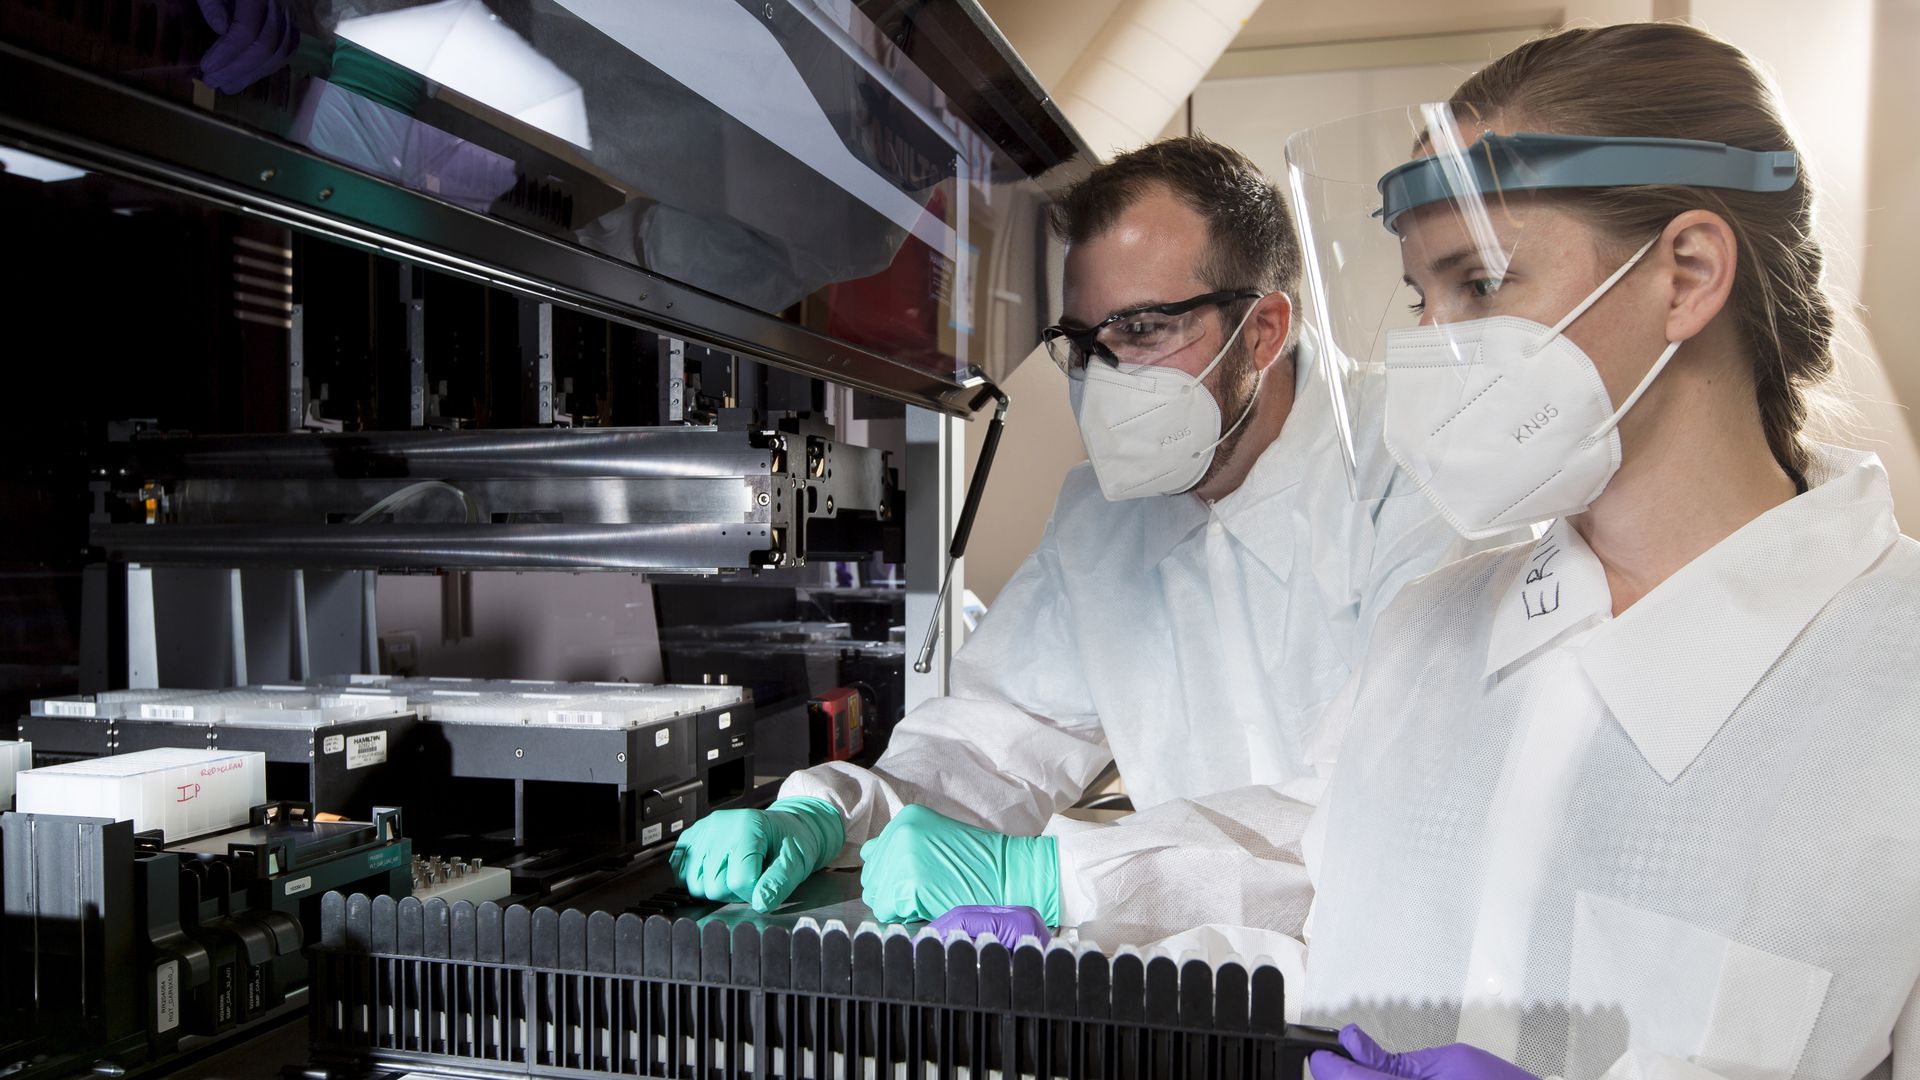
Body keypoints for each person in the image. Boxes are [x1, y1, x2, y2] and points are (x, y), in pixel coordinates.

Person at [1260, 22, 1920, 1080]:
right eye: (1419, 298)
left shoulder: (1897, 687)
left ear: (1688, 274)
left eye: (1479, 283)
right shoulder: (1426, 632)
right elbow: (1328, 934)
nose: (1430, 348)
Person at [670, 136, 1473, 944]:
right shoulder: (1102, 517)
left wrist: (1054, 877)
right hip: (1211, 990)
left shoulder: (1420, 467)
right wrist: (827, 815)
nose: (1110, 377)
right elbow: (996, 745)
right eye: (1086, 346)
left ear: (1263, 331)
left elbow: (1387, 814)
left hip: (1417, 1014)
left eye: (1146, 331)